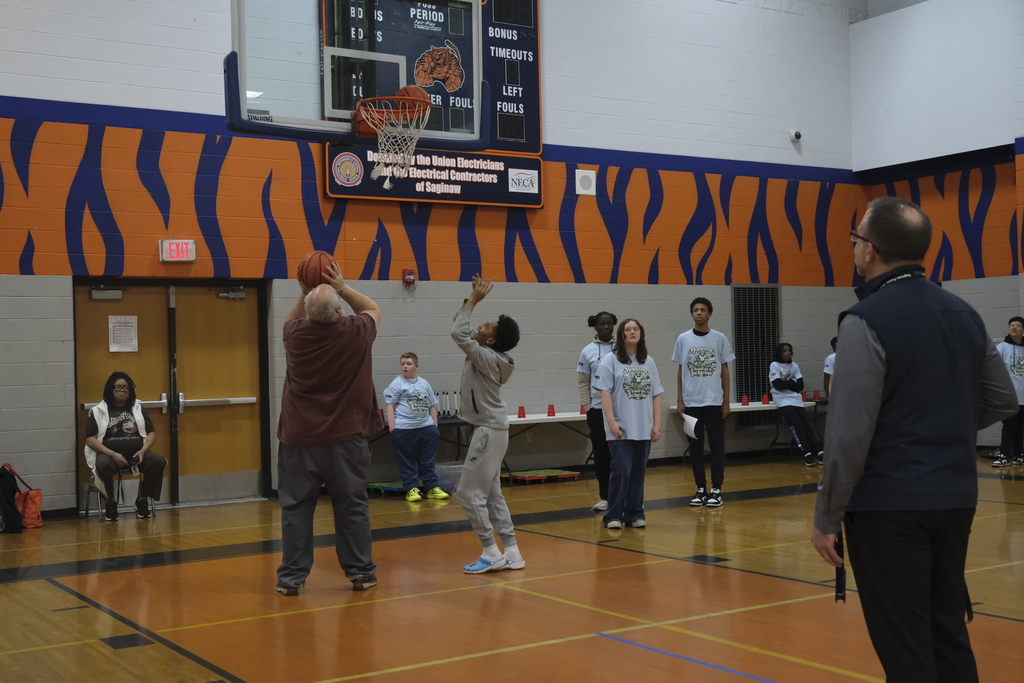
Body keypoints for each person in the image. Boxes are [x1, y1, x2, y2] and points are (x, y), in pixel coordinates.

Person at [810, 197, 1016, 683]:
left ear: (869, 252)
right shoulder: (964, 312)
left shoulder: (864, 319)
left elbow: (848, 433)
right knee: (947, 631)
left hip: (888, 508)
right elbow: (1003, 400)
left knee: (905, 647)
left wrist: (826, 516)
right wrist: (940, 430)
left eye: (856, 238)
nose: (855, 246)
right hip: (955, 498)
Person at [276, 262, 383, 595]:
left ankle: (291, 579)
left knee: (296, 509)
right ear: (340, 310)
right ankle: (361, 574)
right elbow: (372, 307)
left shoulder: (294, 335)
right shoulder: (356, 331)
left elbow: (290, 319)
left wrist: (307, 290)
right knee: (351, 506)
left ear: (308, 313)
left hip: (299, 439)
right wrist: (342, 286)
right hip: (345, 439)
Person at [451, 276, 524, 574]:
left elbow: (457, 332)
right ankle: (513, 552)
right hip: (492, 430)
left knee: (469, 494)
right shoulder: (487, 352)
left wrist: (474, 299)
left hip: (488, 432)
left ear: (491, 340)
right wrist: (470, 298)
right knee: (492, 495)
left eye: (487, 325)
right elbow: (462, 325)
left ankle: (490, 552)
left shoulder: (485, 356)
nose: (481, 324)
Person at [593, 318, 663, 529]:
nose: (632, 332)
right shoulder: (610, 360)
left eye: (636, 329)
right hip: (621, 428)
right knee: (621, 470)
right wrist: (611, 422)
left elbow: (656, 394)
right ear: (622, 335)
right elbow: (604, 392)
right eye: (628, 329)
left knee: (637, 472)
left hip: (643, 427)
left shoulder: (648, 361)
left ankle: (634, 513)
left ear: (640, 333)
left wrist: (656, 424)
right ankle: (613, 515)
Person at [672, 297, 735, 508]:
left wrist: (726, 401)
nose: (699, 313)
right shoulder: (683, 339)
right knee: (695, 447)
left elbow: (725, 371)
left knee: (717, 446)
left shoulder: (719, 339)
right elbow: (681, 370)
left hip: (714, 403)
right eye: (695, 310)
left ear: (709, 314)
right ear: (692, 314)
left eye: (703, 310)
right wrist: (680, 399)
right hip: (691, 405)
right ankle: (700, 488)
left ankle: (717, 489)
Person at [84, 372, 167, 521]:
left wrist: (142, 451)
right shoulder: (98, 411)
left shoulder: (137, 408)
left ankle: (141, 500)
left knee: (158, 461)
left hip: (137, 453)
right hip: (109, 455)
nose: (122, 391)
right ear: (110, 389)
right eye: (118, 387)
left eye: (125, 388)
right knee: (102, 464)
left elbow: (151, 433)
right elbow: (90, 439)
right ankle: (110, 502)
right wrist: (112, 454)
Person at [384, 352, 448, 501]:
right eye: (402, 364)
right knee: (406, 461)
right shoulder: (397, 383)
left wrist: (434, 427)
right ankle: (412, 488)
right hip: (404, 429)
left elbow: (432, 406)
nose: (405, 366)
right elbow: (389, 406)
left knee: (427, 461)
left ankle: (432, 487)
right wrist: (393, 429)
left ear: (416, 366)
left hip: (426, 428)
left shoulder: (424, 383)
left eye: (408, 363)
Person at [577, 311, 617, 512]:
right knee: (602, 455)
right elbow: (583, 382)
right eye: (602, 324)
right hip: (597, 410)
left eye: (610, 324)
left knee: (620, 455)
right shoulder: (587, 351)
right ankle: (605, 497)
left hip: (620, 411)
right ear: (595, 327)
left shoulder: (622, 349)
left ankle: (625, 496)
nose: (606, 327)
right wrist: (588, 407)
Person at [769, 342, 823, 467]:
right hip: (782, 400)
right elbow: (778, 385)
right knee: (796, 426)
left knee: (806, 426)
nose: (788, 353)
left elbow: (800, 386)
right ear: (779, 353)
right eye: (784, 351)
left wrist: (788, 383)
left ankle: (819, 451)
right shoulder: (774, 365)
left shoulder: (794, 366)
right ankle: (807, 452)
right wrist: (792, 382)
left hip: (796, 399)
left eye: (789, 350)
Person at [992, 316, 1024, 467]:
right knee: (1009, 425)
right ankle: (1004, 455)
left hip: (1023, 396)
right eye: (1011, 325)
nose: (1014, 327)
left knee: (1020, 426)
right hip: (1009, 396)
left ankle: (1019, 454)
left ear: (1023, 329)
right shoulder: (1002, 347)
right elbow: (994, 369)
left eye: (1017, 325)